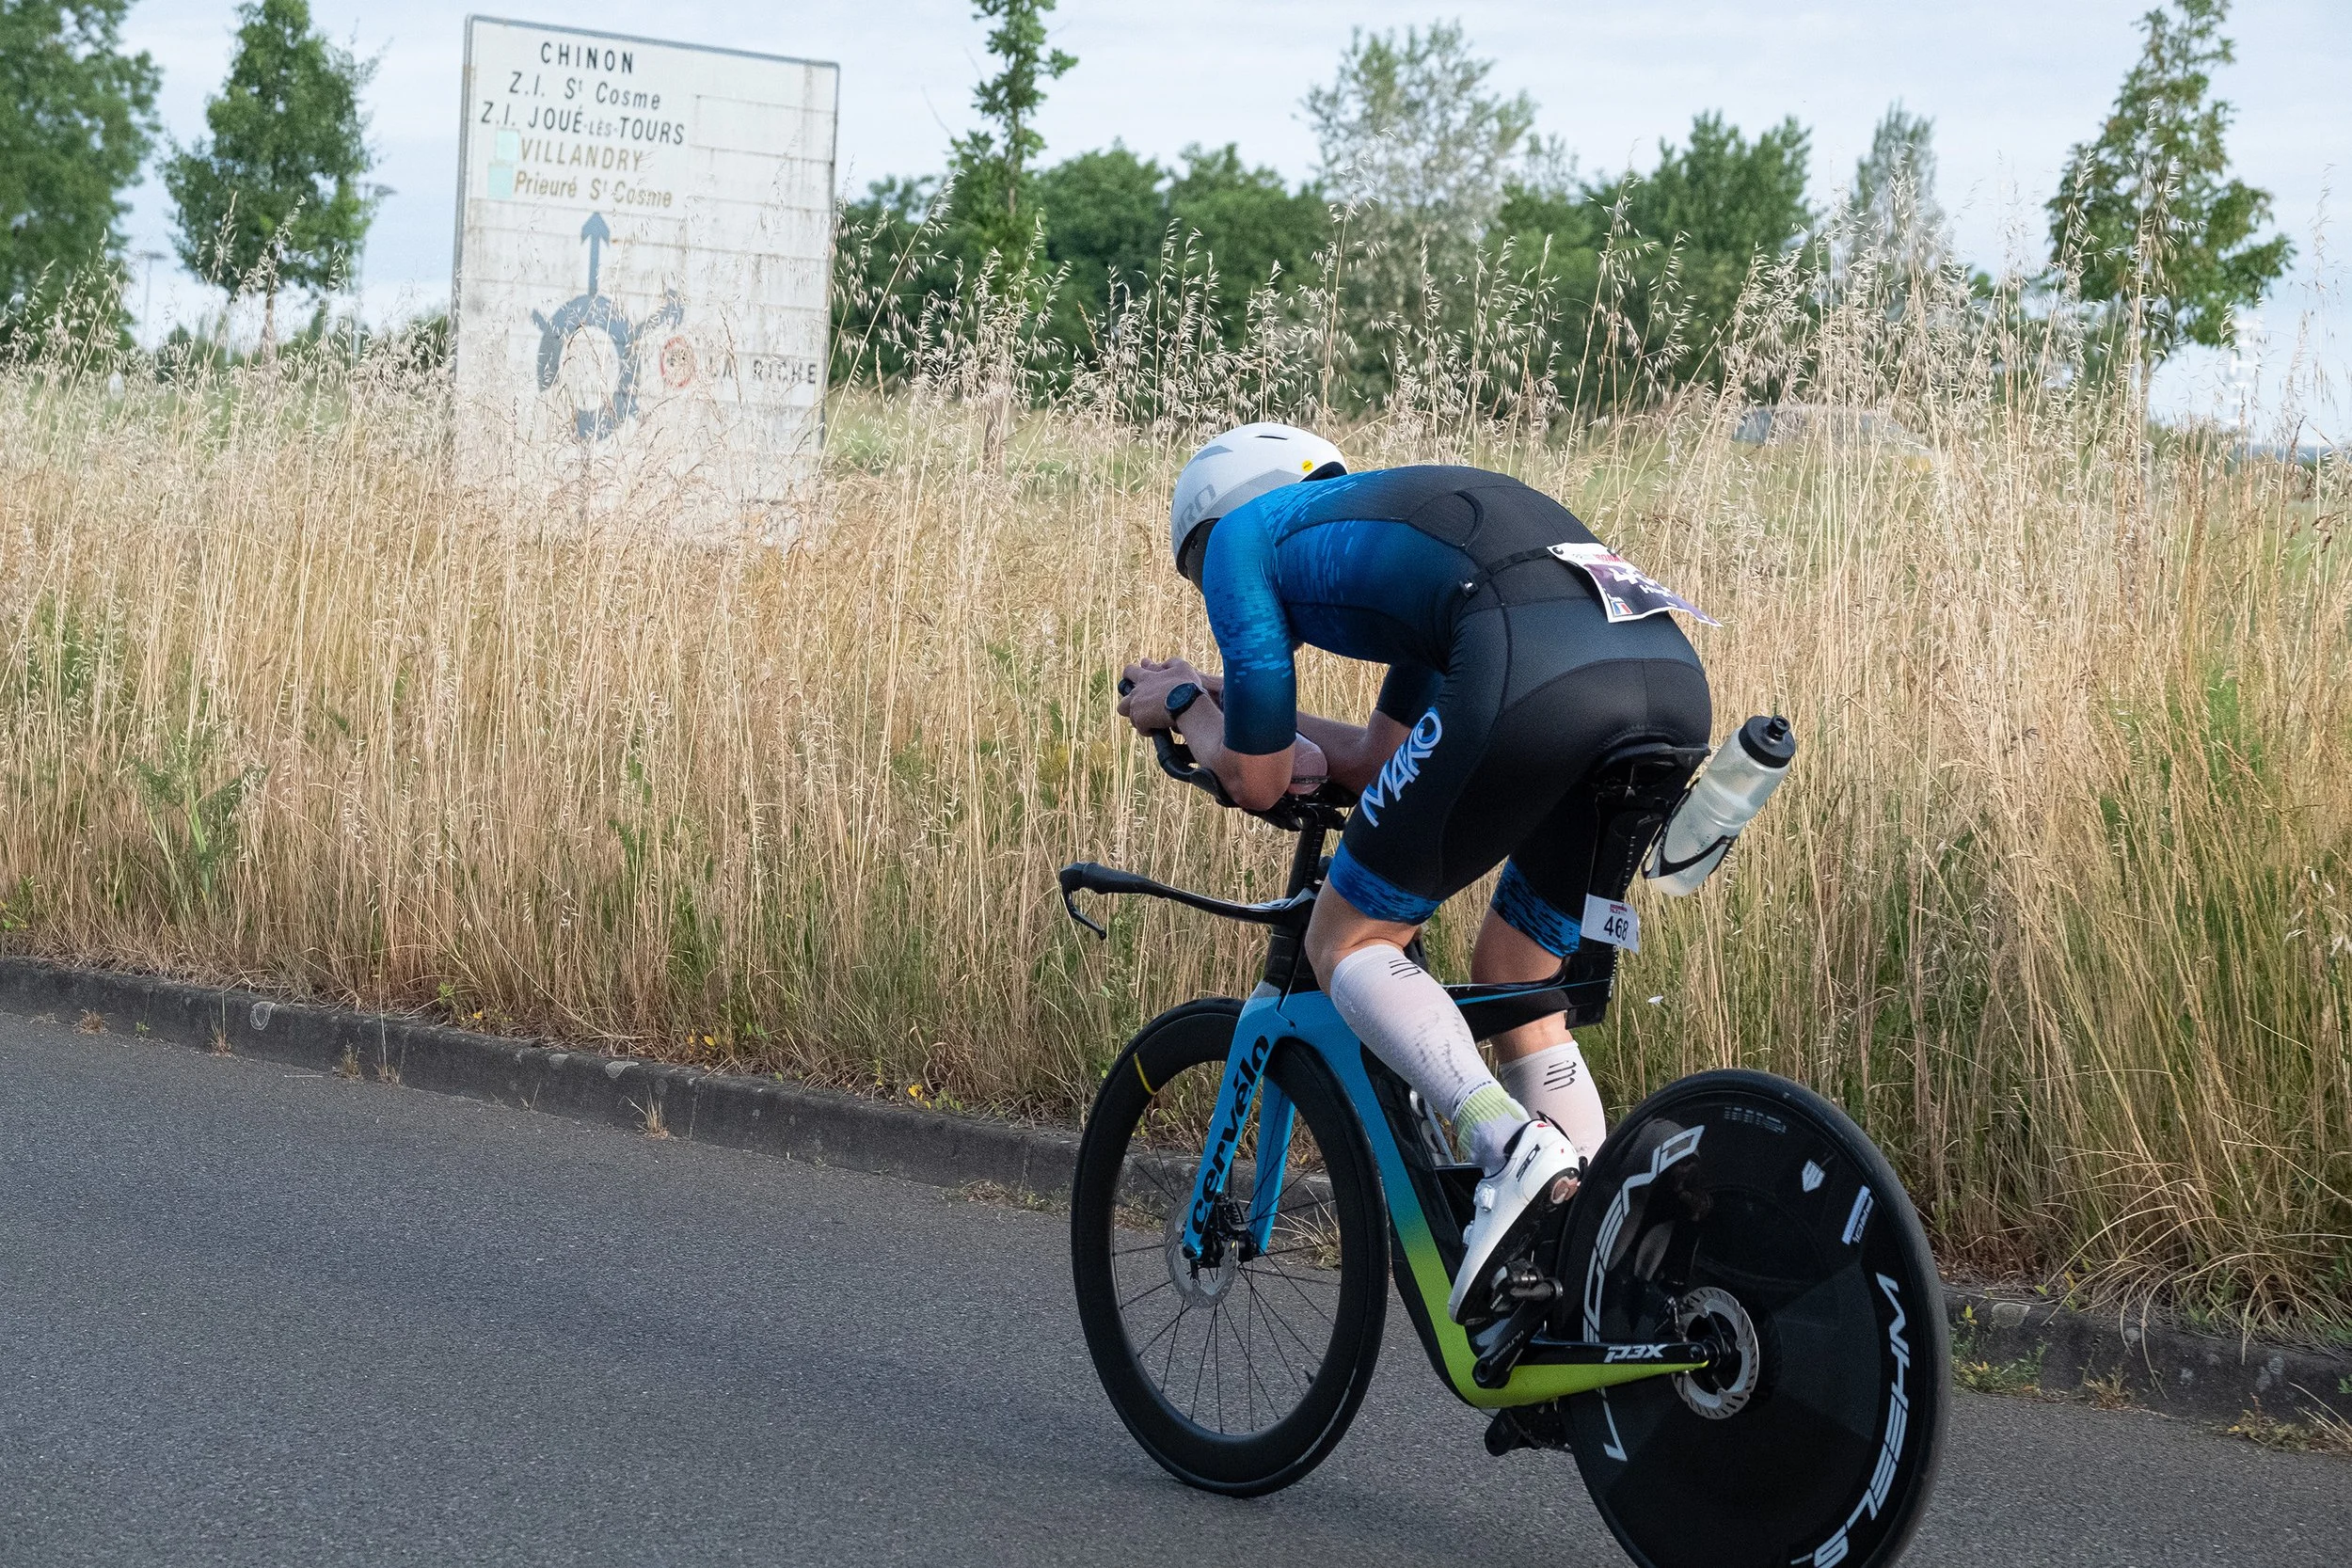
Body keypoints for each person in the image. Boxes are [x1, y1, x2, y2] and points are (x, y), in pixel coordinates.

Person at [1118, 422, 1712, 1323]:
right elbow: (1373, 757)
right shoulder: (1412, 532)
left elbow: (1259, 778)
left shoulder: (1245, 537)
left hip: (1531, 662)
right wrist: (1229, 696)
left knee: (1346, 936)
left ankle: (1510, 1144)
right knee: (1518, 969)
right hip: (1662, 674)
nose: (1213, 595)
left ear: (1212, 522)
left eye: (1198, 578)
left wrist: (1188, 702)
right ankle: (1586, 1243)